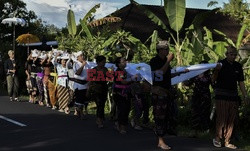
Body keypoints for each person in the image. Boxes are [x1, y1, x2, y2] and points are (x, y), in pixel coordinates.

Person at [212, 46, 249, 149]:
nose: (233, 56)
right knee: (222, 118)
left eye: (234, 55)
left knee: (231, 119)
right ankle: (217, 138)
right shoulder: (221, 63)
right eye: (231, 54)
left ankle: (227, 141)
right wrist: (216, 71)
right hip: (221, 95)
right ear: (226, 54)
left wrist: (245, 95)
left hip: (233, 96)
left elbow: (241, 82)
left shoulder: (238, 66)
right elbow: (213, 79)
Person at [184, 61, 212, 136]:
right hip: (196, 96)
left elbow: (214, 85)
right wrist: (184, 76)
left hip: (205, 96)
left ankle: (205, 130)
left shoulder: (209, 76)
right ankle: (194, 130)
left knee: (205, 112)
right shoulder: (195, 75)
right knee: (195, 112)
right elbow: (188, 83)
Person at [87, 55, 108, 128]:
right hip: (96, 89)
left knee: (102, 104)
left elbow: (109, 78)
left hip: (104, 88)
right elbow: (90, 81)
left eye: (105, 62)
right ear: (98, 62)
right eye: (103, 62)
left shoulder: (105, 69)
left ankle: (101, 117)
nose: (104, 64)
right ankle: (99, 119)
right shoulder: (93, 70)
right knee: (99, 104)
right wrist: (88, 90)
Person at [73, 51, 90, 119]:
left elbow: (89, 73)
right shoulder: (76, 64)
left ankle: (80, 110)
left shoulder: (87, 64)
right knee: (79, 99)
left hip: (86, 83)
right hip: (79, 84)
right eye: (81, 56)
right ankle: (81, 112)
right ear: (78, 57)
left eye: (83, 55)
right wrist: (82, 65)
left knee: (84, 99)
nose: (83, 57)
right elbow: (78, 73)